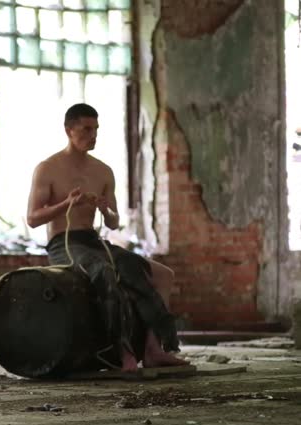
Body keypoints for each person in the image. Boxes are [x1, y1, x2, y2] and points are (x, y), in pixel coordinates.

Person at [26, 103, 189, 372]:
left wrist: (105, 210)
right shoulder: (47, 168)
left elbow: (113, 223)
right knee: (105, 272)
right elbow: (32, 218)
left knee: (163, 275)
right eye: (86, 129)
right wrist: (66, 204)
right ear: (69, 130)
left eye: (96, 129)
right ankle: (123, 353)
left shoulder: (102, 171)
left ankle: (153, 350)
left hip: (93, 241)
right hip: (63, 244)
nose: (93, 135)